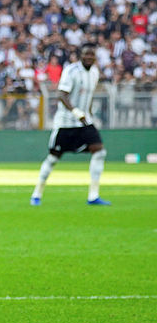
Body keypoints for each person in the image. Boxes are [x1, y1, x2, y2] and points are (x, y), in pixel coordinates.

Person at [30, 44, 109, 206]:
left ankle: (93, 196)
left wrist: (88, 113)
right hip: (66, 123)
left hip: (85, 122)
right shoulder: (71, 71)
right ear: (80, 55)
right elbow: (62, 95)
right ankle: (36, 194)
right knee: (53, 158)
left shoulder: (94, 72)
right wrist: (76, 112)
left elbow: (90, 95)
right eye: (86, 54)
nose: (89, 58)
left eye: (92, 55)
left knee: (99, 151)